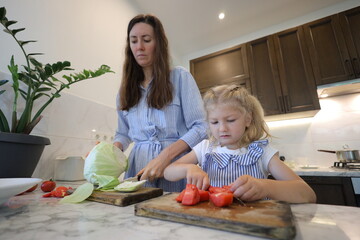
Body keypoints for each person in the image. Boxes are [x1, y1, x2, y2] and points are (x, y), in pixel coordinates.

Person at [164, 84, 316, 203]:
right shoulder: (205, 148)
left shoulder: (261, 152)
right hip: (213, 223)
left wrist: (265, 187)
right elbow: (168, 172)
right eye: (214, 122)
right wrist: (188, 169)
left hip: (252, 223)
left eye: (230, 120)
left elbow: (307, 194)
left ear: (248, 119)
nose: (222, 128)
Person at [113, 14, 208, 192]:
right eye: (133, 41)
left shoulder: (180, 78)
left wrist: (166, 156)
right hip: (138, 171)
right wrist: (107, 152)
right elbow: (123, 134)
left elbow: (202, 127)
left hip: (175, 168)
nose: (139, 47)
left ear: (158, 43)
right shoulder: (124, 92)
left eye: (146, 40)